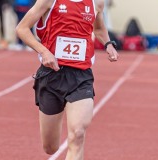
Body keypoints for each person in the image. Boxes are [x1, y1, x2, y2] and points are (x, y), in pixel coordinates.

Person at [16, 0, 119, 159]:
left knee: (78, 134)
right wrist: (44, 52)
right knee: (50, 147)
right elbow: (22, 28)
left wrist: (108, 44)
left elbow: (98, 28)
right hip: (51, 75)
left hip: (81, 77)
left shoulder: (96, 2)